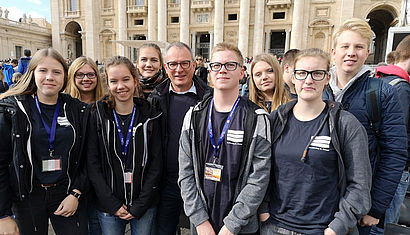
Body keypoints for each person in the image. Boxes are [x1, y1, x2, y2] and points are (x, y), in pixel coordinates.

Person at [259, 48, 372, 235]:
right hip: (274, 225)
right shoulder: (275, 120)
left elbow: (359, 184)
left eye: (317, 73)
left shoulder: (345, 124)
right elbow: (261, 170)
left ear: (327, 78)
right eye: (302, 73)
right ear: (293, 77)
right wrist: (263, 210)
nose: (309, 80)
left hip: (322, 228)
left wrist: (336, 228)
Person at [323, 18, 408, 234]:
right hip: (318, 200)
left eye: (358, 47)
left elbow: (394, 153)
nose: (351, 52)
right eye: (345, 46)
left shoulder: (382, 93)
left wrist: (376, 207)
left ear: (368, 51)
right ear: (334, 51)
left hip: (359, 203)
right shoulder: (317, 87)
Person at [178, 43, 271, 234]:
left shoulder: (258, 118)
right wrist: (200, 220)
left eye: (230, 65)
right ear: (210, 72)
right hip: (203, 225)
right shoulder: (193, 116)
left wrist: (232, 224)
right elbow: (185, 174)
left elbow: (259, 178)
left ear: (242, 72)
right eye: (217, 65)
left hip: (241, 226)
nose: (222, 70)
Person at [0, 48, 89, 235]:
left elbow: (87, 157)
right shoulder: (12, 110)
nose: (50, 77)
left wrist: (76, 193)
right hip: (28, 197)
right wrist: (3, 215)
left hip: (65, 194)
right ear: (32, 74)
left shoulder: (78, 110)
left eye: (57, 72)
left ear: (65, 77)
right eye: (43, 71)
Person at [86, 56, 162, 235]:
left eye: (126, 79)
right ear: (107, 84)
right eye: (114, 81)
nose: (120, 87)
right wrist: (111, 203)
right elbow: (93, 163)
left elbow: (156, 164)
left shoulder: (151, 115)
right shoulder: (97, 115)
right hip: (108, 203)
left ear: (135, 80)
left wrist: (141, 204)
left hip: (143, 203)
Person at [148, 42, 209, 235]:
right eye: (173, 64)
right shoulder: (155, 99)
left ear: (193, 66)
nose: (179, 69)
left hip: (201, 184)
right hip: (167, 182)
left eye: (184, 63)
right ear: (165, 68)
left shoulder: (210, 99)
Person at [370, 35, 410, 235]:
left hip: (376, 167)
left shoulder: (379, 80)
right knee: (384, 226)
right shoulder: (401, 88)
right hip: (392, 171)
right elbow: (397, 142)